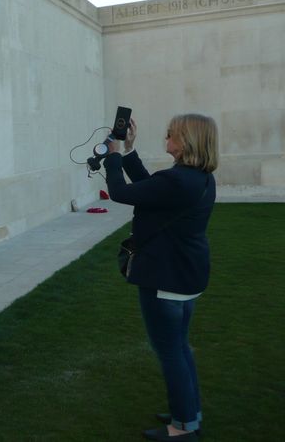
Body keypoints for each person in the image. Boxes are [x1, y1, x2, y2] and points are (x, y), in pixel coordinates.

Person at [103, 114, 219, 442]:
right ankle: (188, 413)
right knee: (179, 348)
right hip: (185, 274)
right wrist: (128, 150)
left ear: (186, 142)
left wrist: (112, 156)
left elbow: (121, 193)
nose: (166, 138)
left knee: (171, 352)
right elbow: (148, 190)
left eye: (171, 134)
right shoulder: (198, 178)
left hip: (167, 278)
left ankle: (182, 428)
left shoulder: (180, 180)